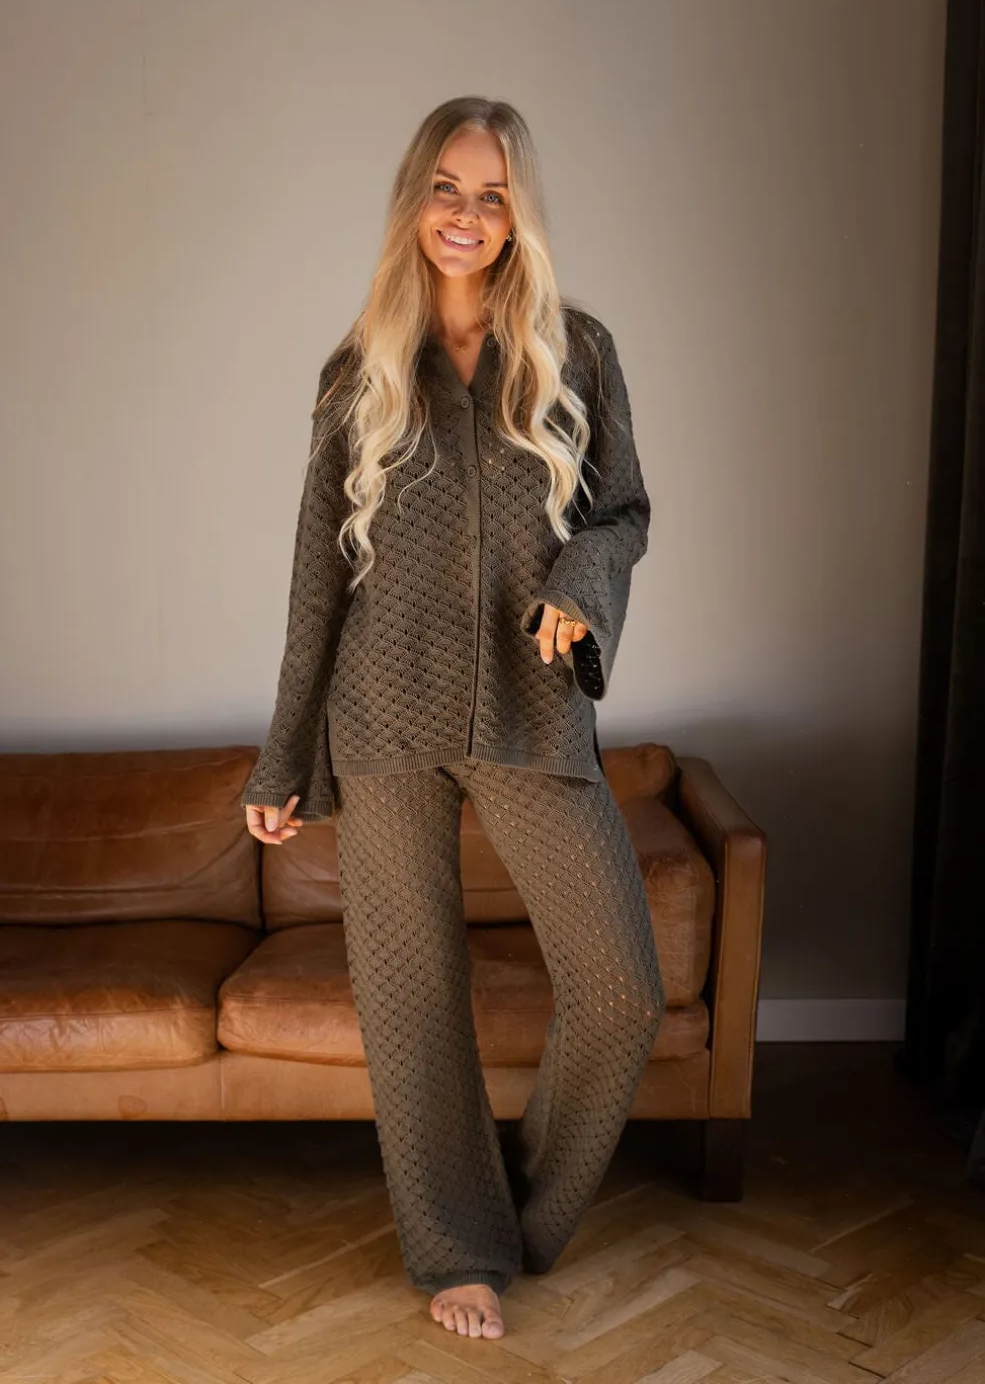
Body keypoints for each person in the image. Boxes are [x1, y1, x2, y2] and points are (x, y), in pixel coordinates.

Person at [241, 96, 665, 1342]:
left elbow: (623, 513)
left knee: (620, 988)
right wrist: (282, 756)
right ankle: (456, 1252)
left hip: (532, 703)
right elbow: (317, 579)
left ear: (517, 213)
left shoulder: (576, 350)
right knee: (410, 1000)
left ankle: (513, 1225)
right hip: (382, 712)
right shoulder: (360, 367)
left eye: (491, 195)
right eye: (445, 188)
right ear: (413, 199)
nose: (465, 215)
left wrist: (577, 589)